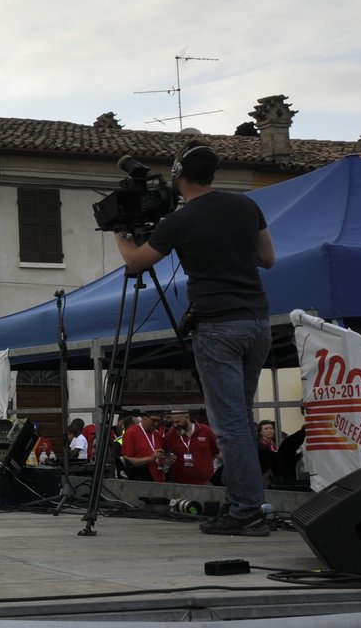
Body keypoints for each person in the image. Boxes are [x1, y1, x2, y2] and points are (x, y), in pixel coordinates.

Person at [118, 140, 276, 536]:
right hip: (257, 321)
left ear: (176, 174)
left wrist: (120, 233)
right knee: (242, 417)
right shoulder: (245, 205)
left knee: (230, 424)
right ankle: (252, 504)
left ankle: (247, 510)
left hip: (218, 326)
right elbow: (267, 258)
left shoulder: (180, 221)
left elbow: (137, 262)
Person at [162, 408, 219, 487]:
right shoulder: (170, 435)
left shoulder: (205, 430)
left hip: (206, 483)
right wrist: (168, 460)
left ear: (187, 418)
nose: (175, 425)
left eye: (177, 422)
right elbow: (165, 457)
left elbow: (216, 453)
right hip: (180, 484)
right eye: (172, 422)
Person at [119, 410, 166, 482]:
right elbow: (126, 460)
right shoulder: (131, 433)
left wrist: (168, 461)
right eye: (153, 420)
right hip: (141, 479)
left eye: (159, 421)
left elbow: (161, 459)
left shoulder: (157, 435)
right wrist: (150, 458)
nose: (156, 424)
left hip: (159, 478)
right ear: (144, 418)